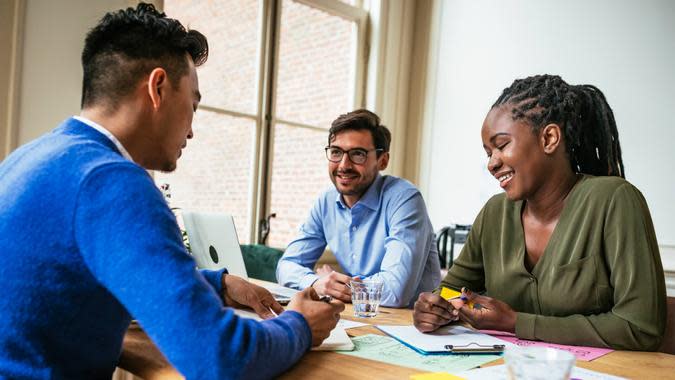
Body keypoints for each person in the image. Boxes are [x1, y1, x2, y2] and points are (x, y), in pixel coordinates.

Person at [0, 4, 344, 379]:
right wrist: (299, 326)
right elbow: (218, 357)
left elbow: (90, 284)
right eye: (192, 104)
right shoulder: (113, 180)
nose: (192, 131)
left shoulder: (30, 158)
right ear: (158, 87)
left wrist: (218, 285)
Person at [413, 74, 666, 350]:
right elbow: (454, 289)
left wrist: (516, 322)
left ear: (549, 138)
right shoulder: (495, 212)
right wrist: (436, 305)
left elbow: (641, 326)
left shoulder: (614, 200)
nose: (492, 164)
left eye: (501, 145)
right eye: (488, 153)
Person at [276, 109, 441, 308]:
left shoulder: (404, 199)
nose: (344, 165)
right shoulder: (326, 202)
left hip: (411, 324)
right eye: (336, 152)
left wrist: (339, 285)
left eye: (358, 154)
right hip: (358, 317)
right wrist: (316, 283)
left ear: (383, 161)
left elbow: (396, 291)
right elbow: (286, 266)